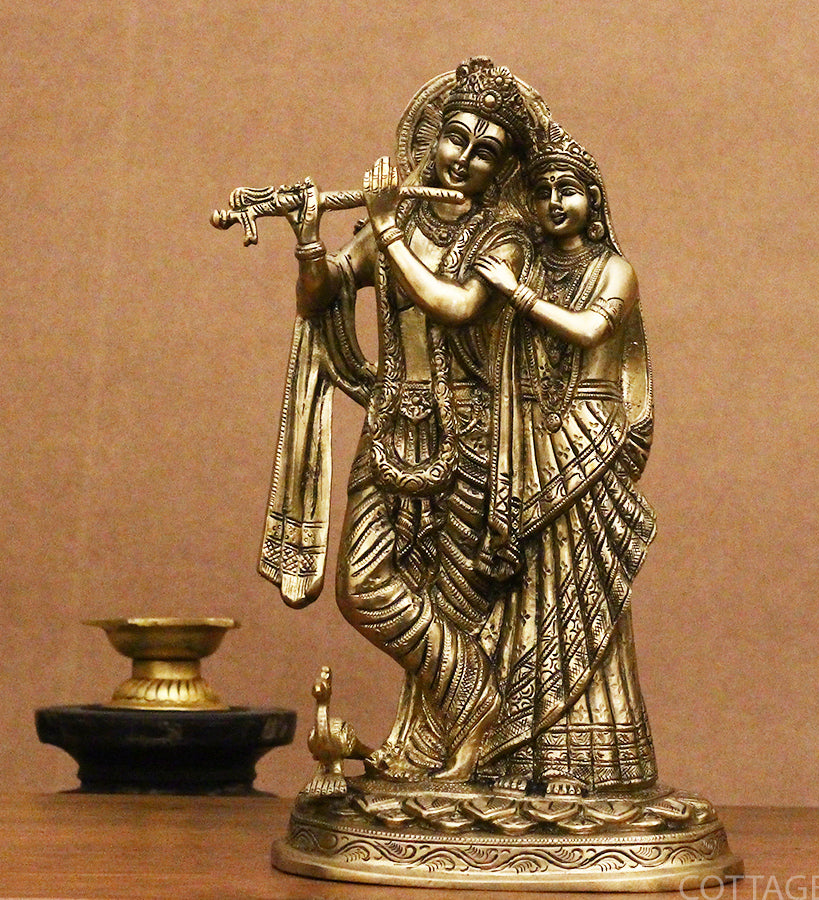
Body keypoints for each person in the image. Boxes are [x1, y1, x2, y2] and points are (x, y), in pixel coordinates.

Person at [259, 58, 538, 781]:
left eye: (485, 150)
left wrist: (384, 227)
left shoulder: (506, 233)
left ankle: (451, 744)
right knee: (363, 588)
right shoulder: (404, 217)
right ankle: (475, 699)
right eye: (455, 138)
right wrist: (309, 238)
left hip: (471, 436)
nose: (464, 158)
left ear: (502, 168)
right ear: (432, 138)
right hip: (390, 427)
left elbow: (456, 304)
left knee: (459, 596)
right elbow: (322, 294)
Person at [474, 123, 658, 794]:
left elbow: (589, 330)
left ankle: (593, 757)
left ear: (593, 201)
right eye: (543, 190)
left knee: (585, 585)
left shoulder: (614, 270)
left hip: (590, 432)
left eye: (568, 190)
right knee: (529, 588)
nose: (555, 201)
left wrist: (515, 294)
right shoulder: (521, 260)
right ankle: (521, 753)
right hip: (528, 437)